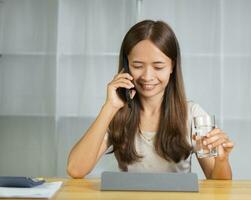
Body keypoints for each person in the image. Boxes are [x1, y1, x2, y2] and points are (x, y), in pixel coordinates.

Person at [67, 20, 234, 179]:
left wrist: (221, 160)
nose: (147, 76)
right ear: (126, 65)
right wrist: (109, 107)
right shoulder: (117, 114)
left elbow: (218, 184)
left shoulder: (192, 114)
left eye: (158, 67)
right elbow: (75, 169)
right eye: (138, 66)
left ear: (172, 66)